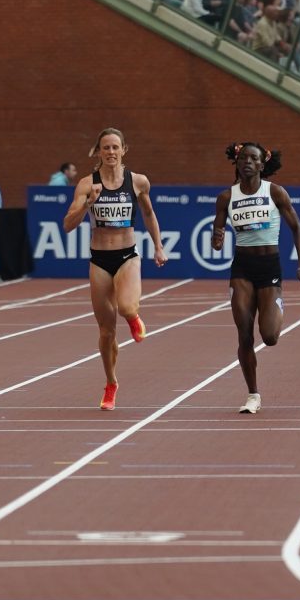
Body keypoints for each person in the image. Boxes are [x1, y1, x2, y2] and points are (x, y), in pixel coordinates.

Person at [63, 129, 167, 411]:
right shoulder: (87, 184)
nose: (110, 152)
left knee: (126, 307)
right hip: (99, 259)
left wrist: (158, 246)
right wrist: (88, 203)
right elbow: (68, 224)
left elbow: (148, 213)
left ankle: (133, 317)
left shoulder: (138, 181)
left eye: (115, 147)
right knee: (106, 332)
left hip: (127, 255)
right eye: (105, 148)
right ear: (98, 152)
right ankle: (111, 383)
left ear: (124, 150)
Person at [211, 141, 300, 415]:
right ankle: (253, 394)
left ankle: (277, 304)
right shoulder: (226, 198)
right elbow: (216, 240)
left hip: (269, 267)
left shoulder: (275, 192)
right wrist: (217, 238)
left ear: (262, 164)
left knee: (269, 337)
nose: (247, 162)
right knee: (244, 333)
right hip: (242, 268)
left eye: (253, 158)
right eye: (243, 158)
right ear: (237, 162)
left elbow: (296, 228)